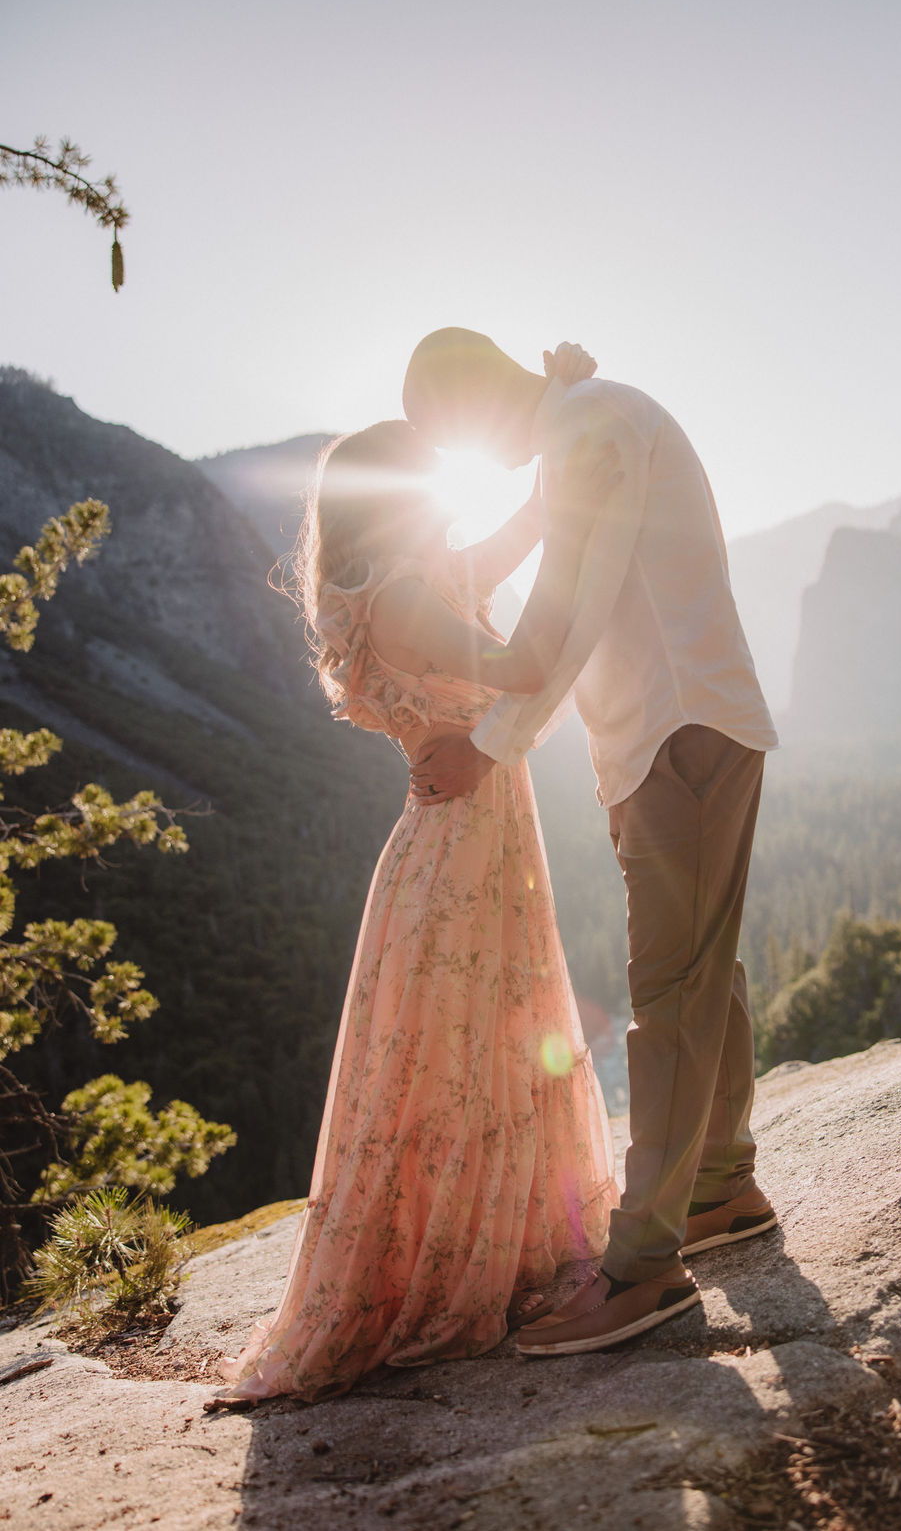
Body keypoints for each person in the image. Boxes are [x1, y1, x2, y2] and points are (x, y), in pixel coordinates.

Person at [209, 345, 619, 1406]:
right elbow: (524, 667)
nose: (444, 513)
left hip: (472, 837)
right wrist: (584, 556)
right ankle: (444, 1272)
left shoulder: (415, 576)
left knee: (483, 1050)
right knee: (454, 1061)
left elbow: (521, 526)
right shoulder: (397, 597)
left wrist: (564, 404)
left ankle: (509, 1244)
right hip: (455, 851)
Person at [403, 329, 780, 1356]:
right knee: (705, 969)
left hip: (679, 731)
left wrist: (483, 743)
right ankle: (720, 1186)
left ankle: (643, 1264)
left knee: (670, 993)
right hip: (659, 736)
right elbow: (558, 575)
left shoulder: (590, 426)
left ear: (477, 403)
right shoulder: (582, 422)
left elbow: (555, 624)